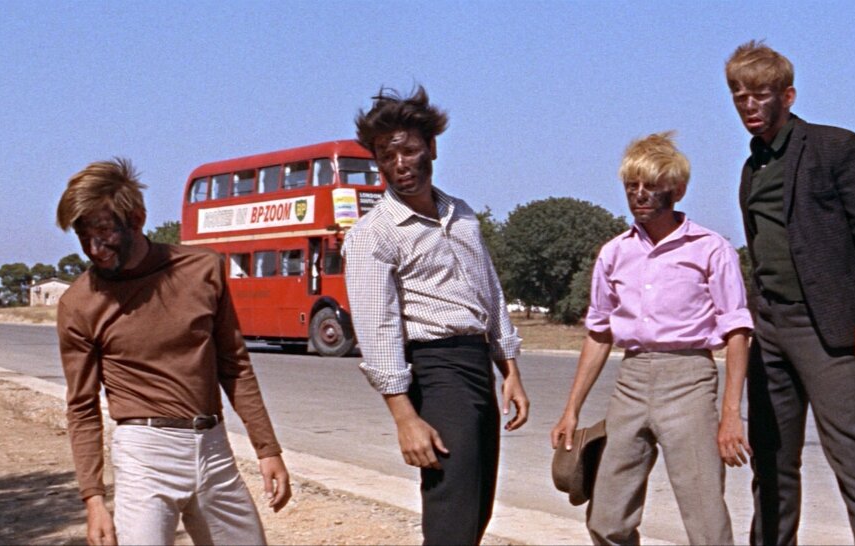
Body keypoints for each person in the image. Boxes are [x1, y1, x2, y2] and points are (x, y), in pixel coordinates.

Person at [55, 158, 291, 546]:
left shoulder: (203, 270)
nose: (94, 249)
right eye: (83, 235)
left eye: (103, 230)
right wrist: (93, 499)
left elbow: (234, 366)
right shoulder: (79, 303)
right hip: (144, 456)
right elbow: (82, 406)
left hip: (213, 449)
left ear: (137, 219)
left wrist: (267, 450)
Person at [725, 41, 855, 545]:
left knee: (853, 456)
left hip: (826, 326)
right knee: (771, 458)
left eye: (760, 95)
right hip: (769, 327)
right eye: (739, 96)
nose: (749, 106)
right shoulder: (753, 167)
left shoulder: (836, 147)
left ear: (788, 95)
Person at [343, 86, 530, 545]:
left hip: (476, 366)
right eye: (386, 156)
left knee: (477, 510)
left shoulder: (461, 215)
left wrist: (509, 370)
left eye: (409, 150)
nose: (400, 164)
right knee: (452, 516)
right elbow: (378, 332)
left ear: (431, 147)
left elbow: (489, 292)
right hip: (435, 371)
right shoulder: (373, 234)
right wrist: (405, 419)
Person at [550, 132, 753, 545]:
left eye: (651, 185)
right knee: (606, 519)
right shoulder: (614, 253)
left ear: (677, 189)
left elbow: (737, 331)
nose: (639, 195)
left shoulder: (711, 249)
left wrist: (731, 413)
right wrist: (571, 409)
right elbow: (598, 333)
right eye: (631, 186)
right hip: (632, 380)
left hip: (689, 380)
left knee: (705, 518)